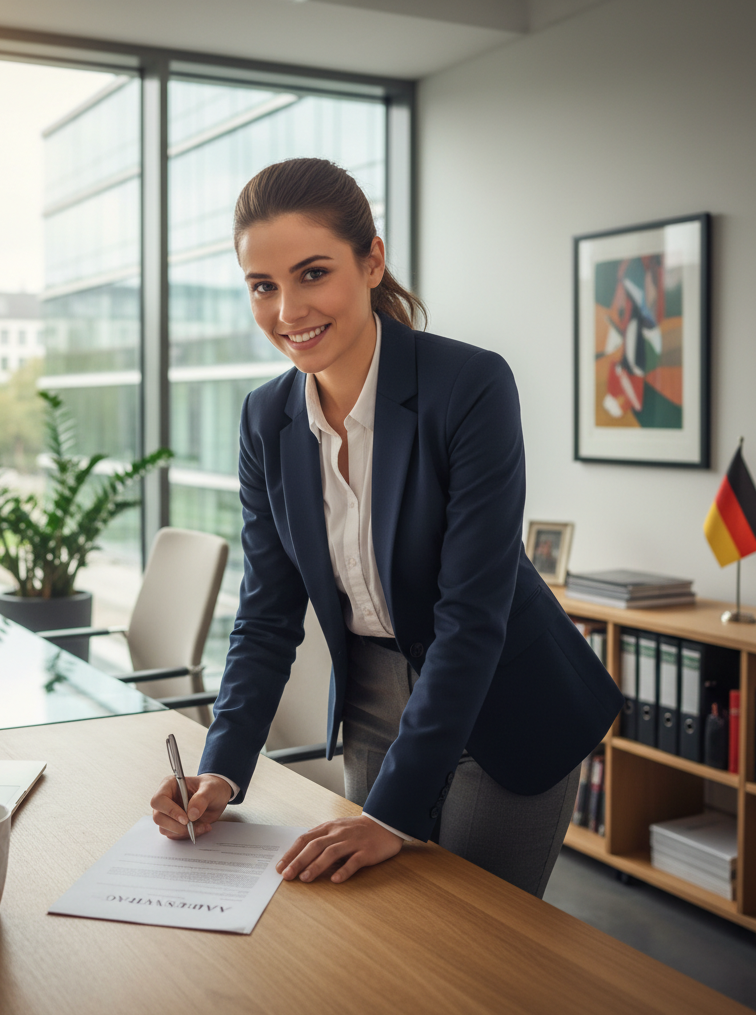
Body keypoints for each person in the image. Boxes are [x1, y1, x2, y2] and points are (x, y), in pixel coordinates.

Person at [150, 158, 623, 898]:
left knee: (471, 943)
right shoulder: (265, 421)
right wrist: (222, 769)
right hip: (371, 699)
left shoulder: (469, 387)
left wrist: (390, 815)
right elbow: (268, 616)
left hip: (499, 695)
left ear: (372, 262)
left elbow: (470, 618)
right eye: (263, 286)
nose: (288, 310)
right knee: (378, 928)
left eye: (312, 273)